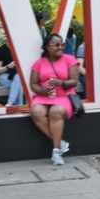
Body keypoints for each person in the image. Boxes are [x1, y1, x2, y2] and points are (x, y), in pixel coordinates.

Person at [29, 33, 79, 166]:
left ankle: (56, 152)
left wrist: (61, 83)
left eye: (62, 44)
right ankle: (60, 142)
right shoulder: (39, 63)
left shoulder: (70, 59)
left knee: (55, 112)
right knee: (36, 112)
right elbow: (33, 84)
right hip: (43, 96)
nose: (60, 47)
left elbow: (74, 81)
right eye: (56, 44)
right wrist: (43, 91)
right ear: (47, 47)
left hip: (63, 96)